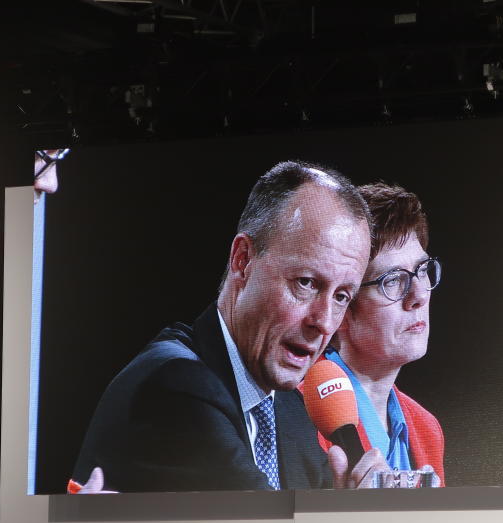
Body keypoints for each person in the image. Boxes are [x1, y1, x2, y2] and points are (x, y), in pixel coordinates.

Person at [70, 160, 388, 492]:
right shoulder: (178, 388)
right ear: (243, 260)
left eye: (341, 296)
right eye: (306, 283)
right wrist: (355, 521)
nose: (323, 322)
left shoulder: (291, 411)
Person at [313, 182, 445, 486]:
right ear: (342, 307)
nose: (419, 295)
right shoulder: (295, 412)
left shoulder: (427, 428)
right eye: (393, 280)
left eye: (422, 270)